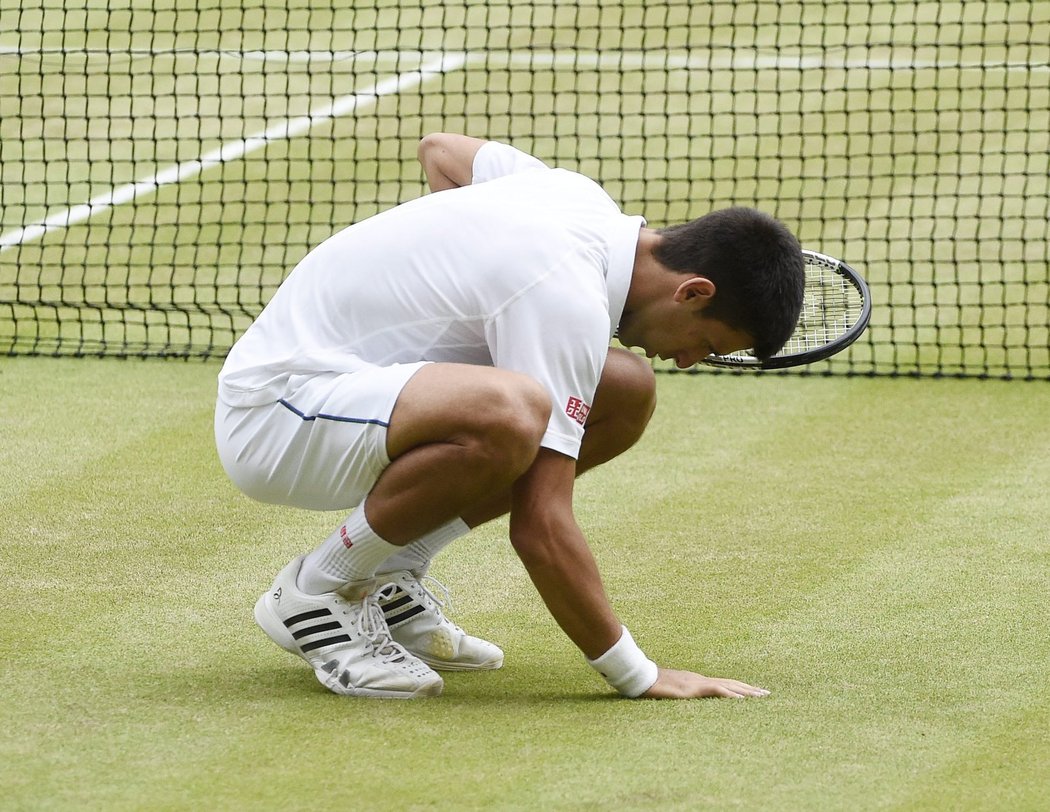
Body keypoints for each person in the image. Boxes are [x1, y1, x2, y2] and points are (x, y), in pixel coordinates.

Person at [214, 133, 805, 700]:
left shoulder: (577, 197)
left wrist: (454, 275)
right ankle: (315, 589)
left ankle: (389, 568)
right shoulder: (565, 296)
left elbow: (441, 150)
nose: (688, 360)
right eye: (706, 344)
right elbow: (540, 526)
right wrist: (638, 673)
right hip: (276, 416)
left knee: (624, 388)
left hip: (349, 396)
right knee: (509, 414)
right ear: (694, 292)